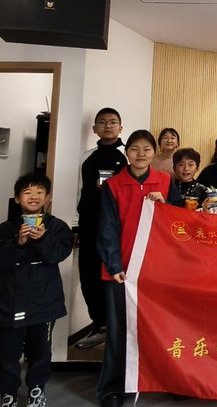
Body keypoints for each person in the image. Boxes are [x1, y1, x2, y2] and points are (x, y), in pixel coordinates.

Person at [96, 130, 183, 407]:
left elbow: (182, 221)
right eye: (135, 149)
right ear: (127, 153)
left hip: (157, 267)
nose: (141, 154)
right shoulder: (113, 185)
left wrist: (166, 205)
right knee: (118, 329)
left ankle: (169, 379)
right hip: (121, 269)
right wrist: (113, 264)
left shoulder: (166, 181)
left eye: (146, 149)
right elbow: (107, 228)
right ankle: (112, 387)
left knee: (162, 326)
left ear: (153, 153)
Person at [0, 173, 73, 407]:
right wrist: (18, 243)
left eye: (40, 192)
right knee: (7, 352)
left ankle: (37, 389)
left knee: (41, 351)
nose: (34, 196)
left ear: (48, 198)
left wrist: (42, 239)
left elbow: (59, 254)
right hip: (8, 299)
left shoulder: (58, 227)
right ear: (17, 198)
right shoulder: (5, 228)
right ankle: (8, 393)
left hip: (44, 300)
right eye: (27, 192)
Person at [75, 107, 127, 350]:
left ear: (121, 128)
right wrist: (75, 225)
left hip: (119, 226)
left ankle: (118, 329)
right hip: (89, 223)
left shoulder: (127, 155)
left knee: (116, 274)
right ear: (95, 128)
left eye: (113, 122)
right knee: (88, 275)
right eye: (103, 122)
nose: (108, 126)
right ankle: (99, 325)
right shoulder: (86, 157)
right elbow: (77, 190)